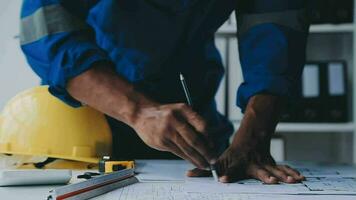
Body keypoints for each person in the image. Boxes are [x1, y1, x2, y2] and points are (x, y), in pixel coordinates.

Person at [20, 0, 309, 184]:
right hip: (91, 114)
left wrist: (255, 135)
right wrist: (137, 110)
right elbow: (46, 24)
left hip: (193, 116)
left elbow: (276, 25)